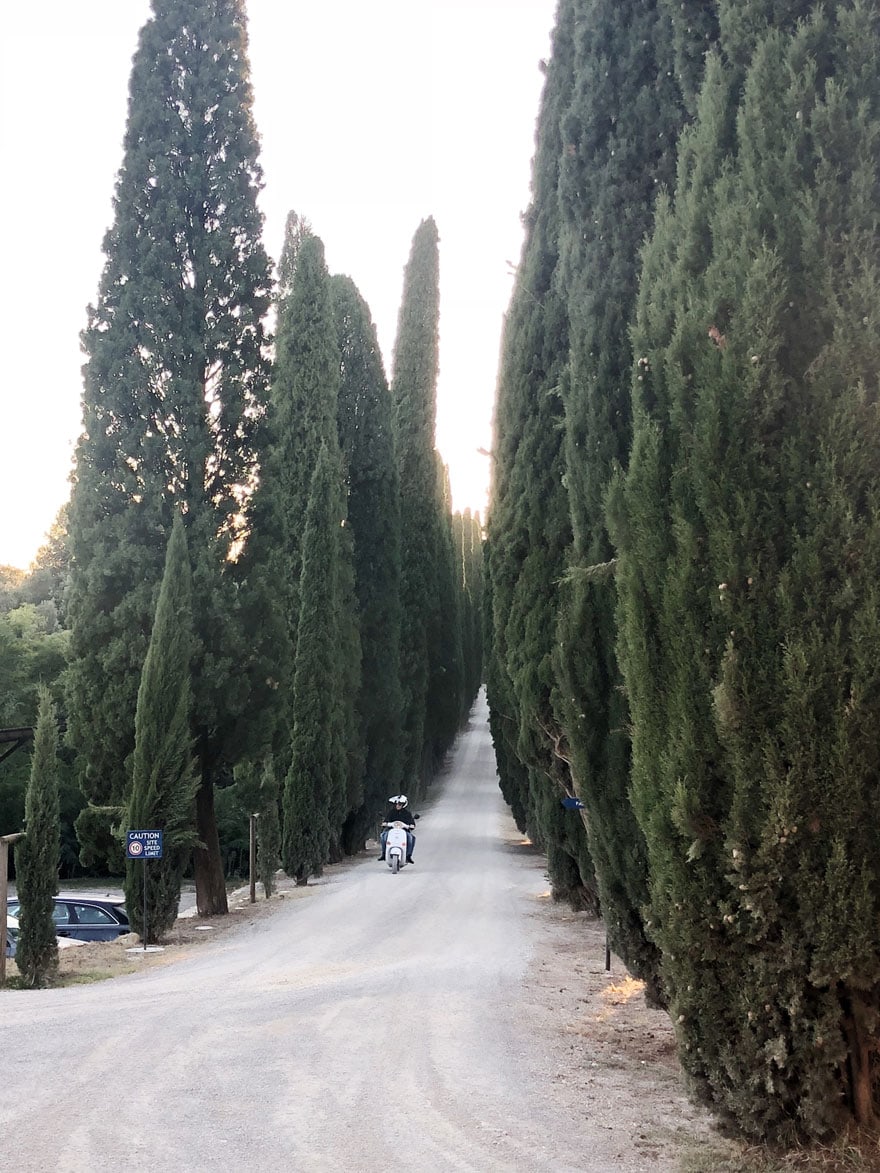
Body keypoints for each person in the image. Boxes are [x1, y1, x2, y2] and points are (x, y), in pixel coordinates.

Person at [378, 794, 416, 864]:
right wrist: (384, 823)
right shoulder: (391, 812)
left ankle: (408, 856)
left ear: (403, 805)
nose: (397, 806)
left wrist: (411, 825)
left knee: (411, 838)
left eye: (399, 804)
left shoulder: (407, 813)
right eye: (396, 804)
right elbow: (386, 820)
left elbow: (412, 823)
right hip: (391, 831)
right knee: (383, 836)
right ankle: (384, 853)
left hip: (404, 832)